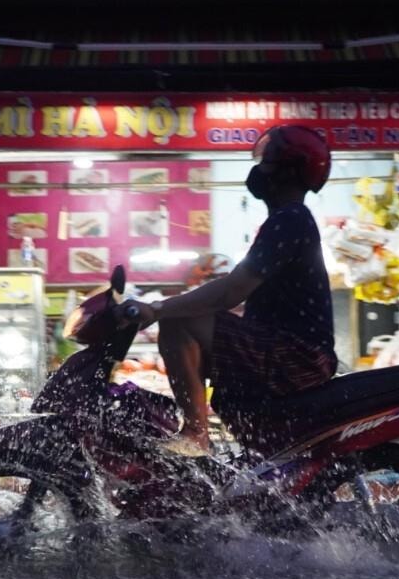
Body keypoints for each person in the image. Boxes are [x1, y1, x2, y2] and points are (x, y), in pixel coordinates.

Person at [126, 125, 338, 456]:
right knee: (190, 323)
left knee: (179, 323)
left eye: (267, 161)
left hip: (297, 357)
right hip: (289, 350)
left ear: (288, 170)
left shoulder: (290, 219)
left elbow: (232, 291)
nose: (258, 170)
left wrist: (158, 310)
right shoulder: (287, 220)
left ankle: (196, 435)